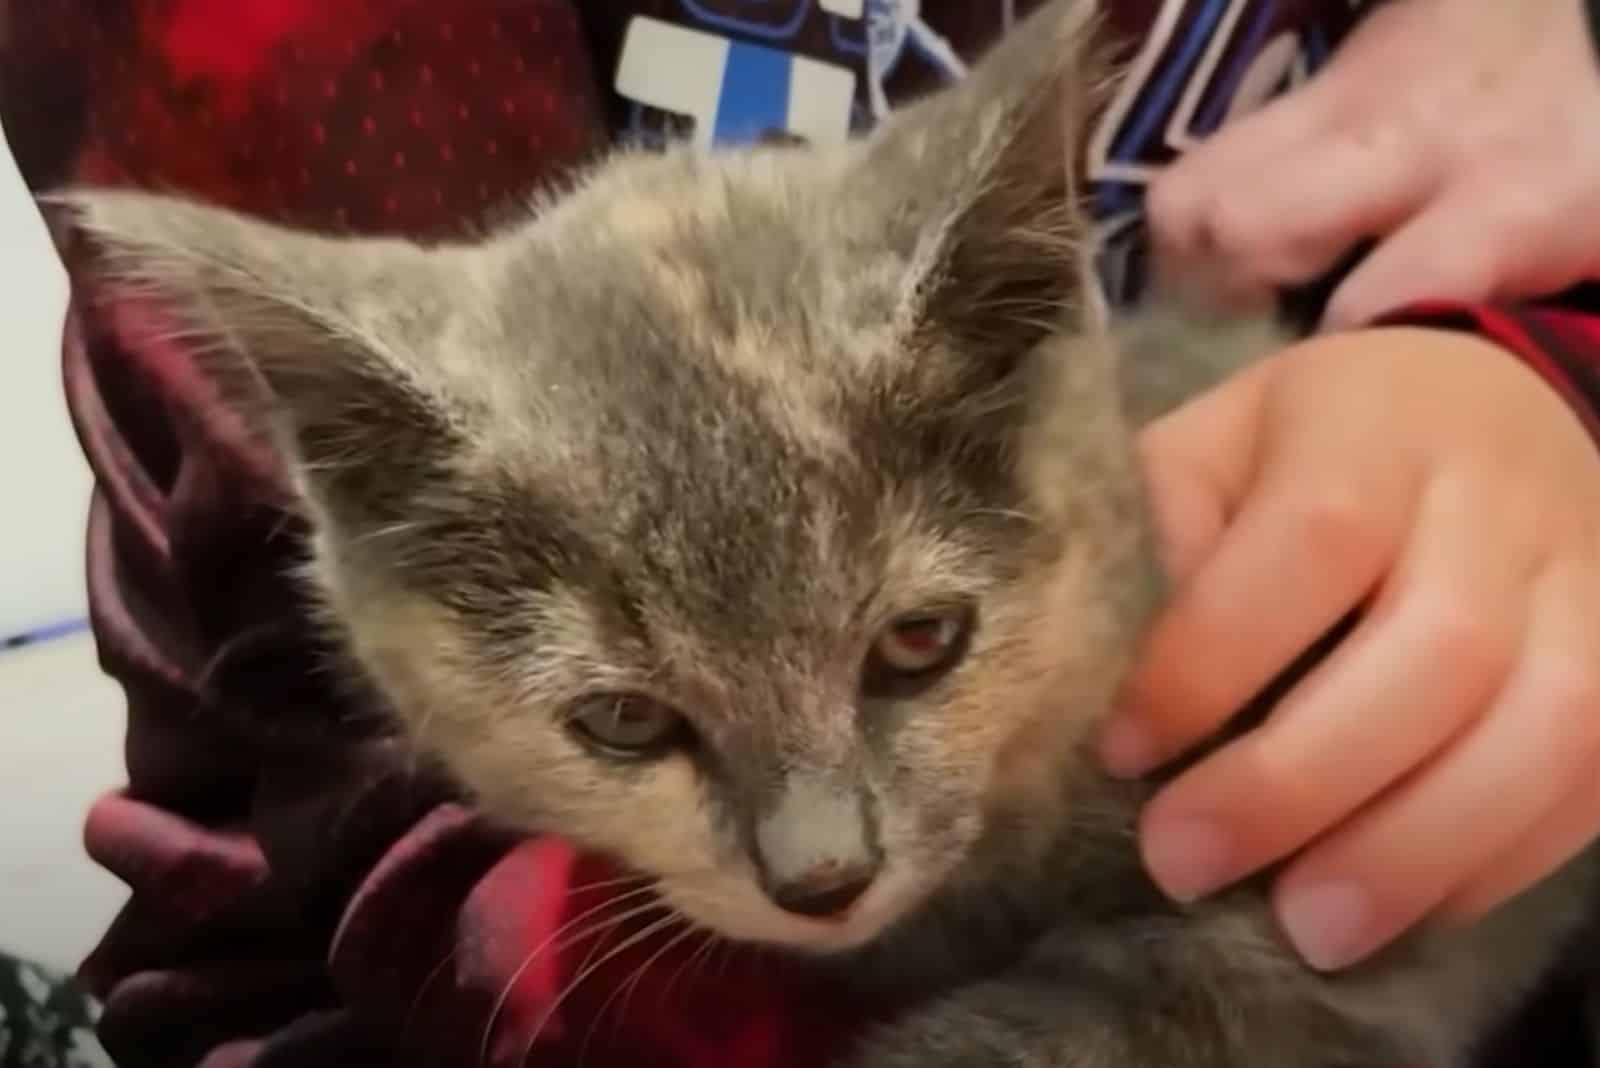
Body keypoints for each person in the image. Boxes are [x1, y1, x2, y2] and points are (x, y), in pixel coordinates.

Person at [0, 1, 1596, 1065]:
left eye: (910, 644)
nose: (817, 856)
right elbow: (377, 832)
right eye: (636, 715)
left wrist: (1548, 379)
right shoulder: (267, 48)